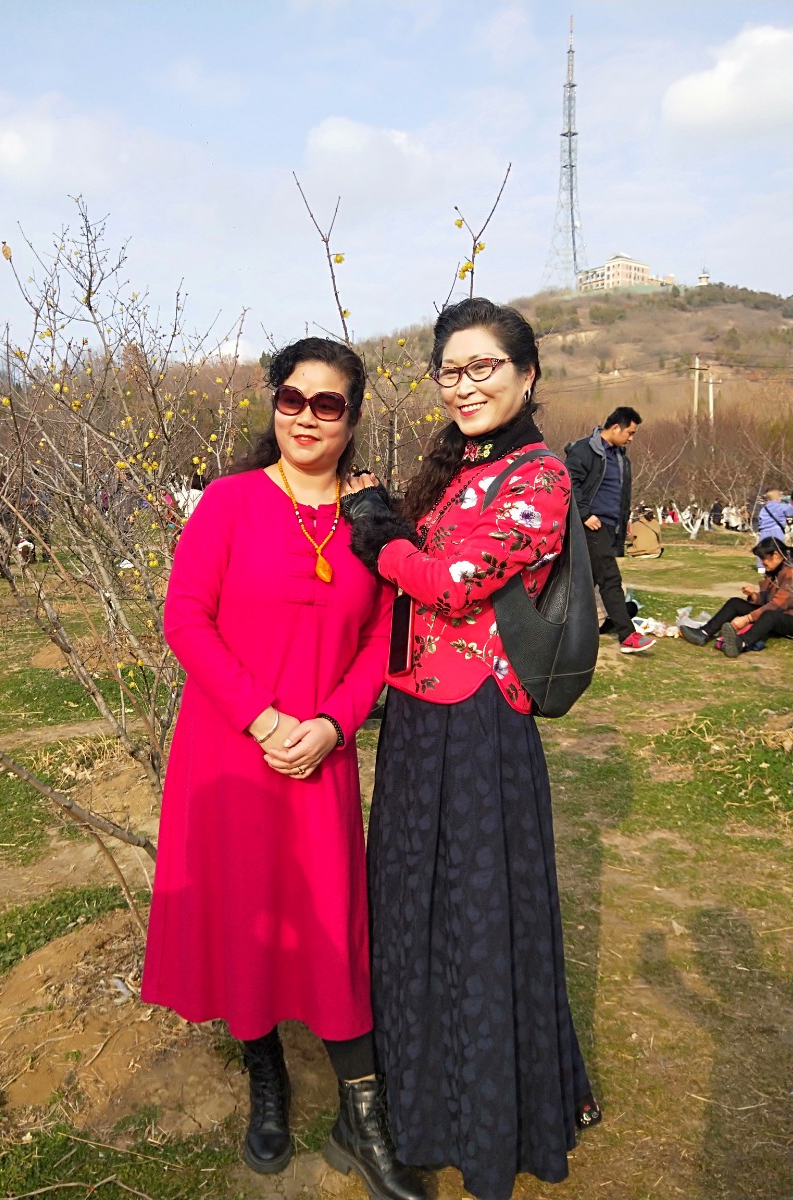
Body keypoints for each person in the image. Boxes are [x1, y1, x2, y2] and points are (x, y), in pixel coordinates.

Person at [140, 337, 426, 1200]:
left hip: (320, 758)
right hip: (229, 749)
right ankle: (265, 1081)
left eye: (326, 403)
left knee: (334, 929)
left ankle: (363, 1121)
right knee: (245, 917)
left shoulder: (370, 518)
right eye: (291, 398)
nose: (305, 417)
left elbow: (382, 638)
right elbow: (186, 618)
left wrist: (334, 725)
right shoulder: (229, 502)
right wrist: (263, 719)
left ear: (353, 416)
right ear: (273, 404)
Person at [341, 299, 600, 1200]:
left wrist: (381, 533)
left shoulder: (542, 476)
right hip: (416, 722)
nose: (464, 385)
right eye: (451, 371)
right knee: (411, 913)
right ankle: (419, 1109)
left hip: (482, 723)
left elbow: (454, 583)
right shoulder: (457, 471)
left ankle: (486, 1121)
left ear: (527, 374)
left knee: (480, 920)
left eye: (483, 367)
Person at [565, 407, 654, 653]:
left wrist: (623, 521)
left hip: (610, 527)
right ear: (615, 428)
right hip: (591, 524)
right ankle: (628, 636)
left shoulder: (620, 457)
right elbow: (569, 482)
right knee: (610, 578)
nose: (631, 438)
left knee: (586, 582)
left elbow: (620, 494)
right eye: (630, 432)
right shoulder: (585, 449)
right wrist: (585, 514)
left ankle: (565, 628)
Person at [680, 537, 793, 657]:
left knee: (770, 615)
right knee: (735, 603)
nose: (761, 563)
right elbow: (768, 599)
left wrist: (747, 618)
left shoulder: (791, 573)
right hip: (778, 614)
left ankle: (740, 643)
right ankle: (703, 633)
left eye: (763, 558)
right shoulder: (776, 570)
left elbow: (777, 605)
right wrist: (753, 596)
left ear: (775, 555)